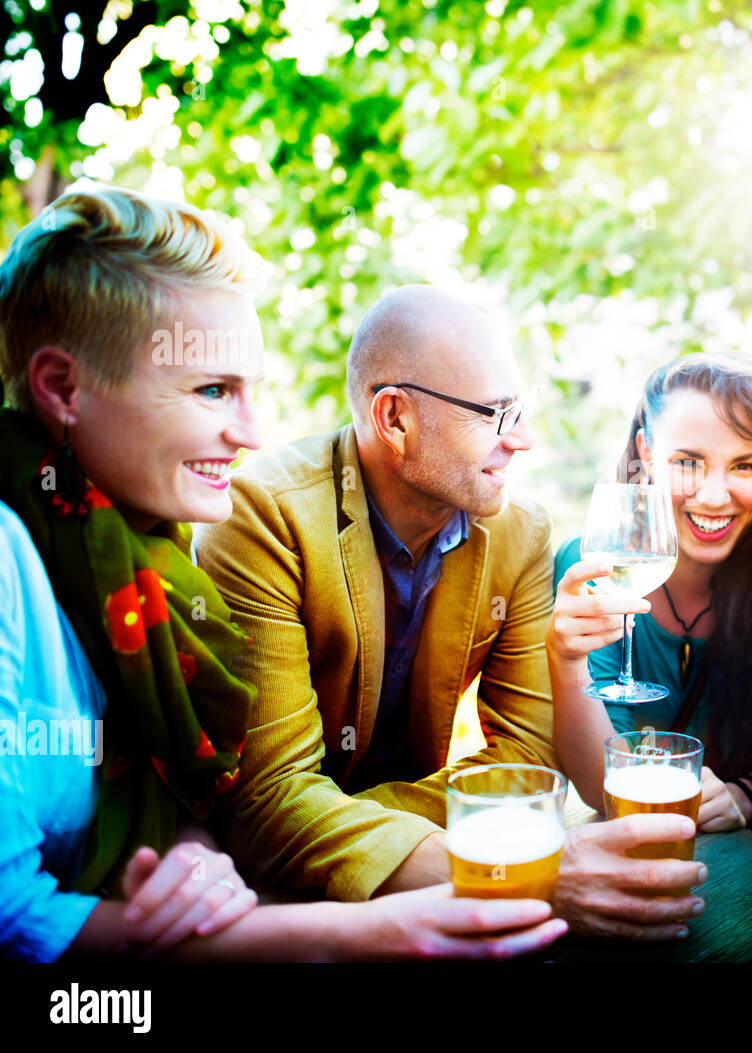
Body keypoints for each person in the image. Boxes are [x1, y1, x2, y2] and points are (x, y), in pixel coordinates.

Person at [0, 186, 565, 961]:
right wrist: (403, 911)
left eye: (250, 391)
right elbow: (14, 917)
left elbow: (179, 789)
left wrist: (190, 856)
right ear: (63, 389)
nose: (252, 432)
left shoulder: (141, 563)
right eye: (211, 390)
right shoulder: (12, 563)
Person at [194, 286, 708, 940]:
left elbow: (528, 757)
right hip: (266, 912)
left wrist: (345, 823)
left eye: (522, 409)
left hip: (385, 876)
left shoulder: (520, 532)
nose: (522, 439)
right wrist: (516, 863)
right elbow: (267, 806)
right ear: (395, 418)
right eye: (496, 413)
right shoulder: (260, 516)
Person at [549, 354, 752, 831]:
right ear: (645, 452)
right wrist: (566, 660)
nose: (714, 495)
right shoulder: (591, 569)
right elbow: (603, 788)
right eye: (688, 462)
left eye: (744, 465)